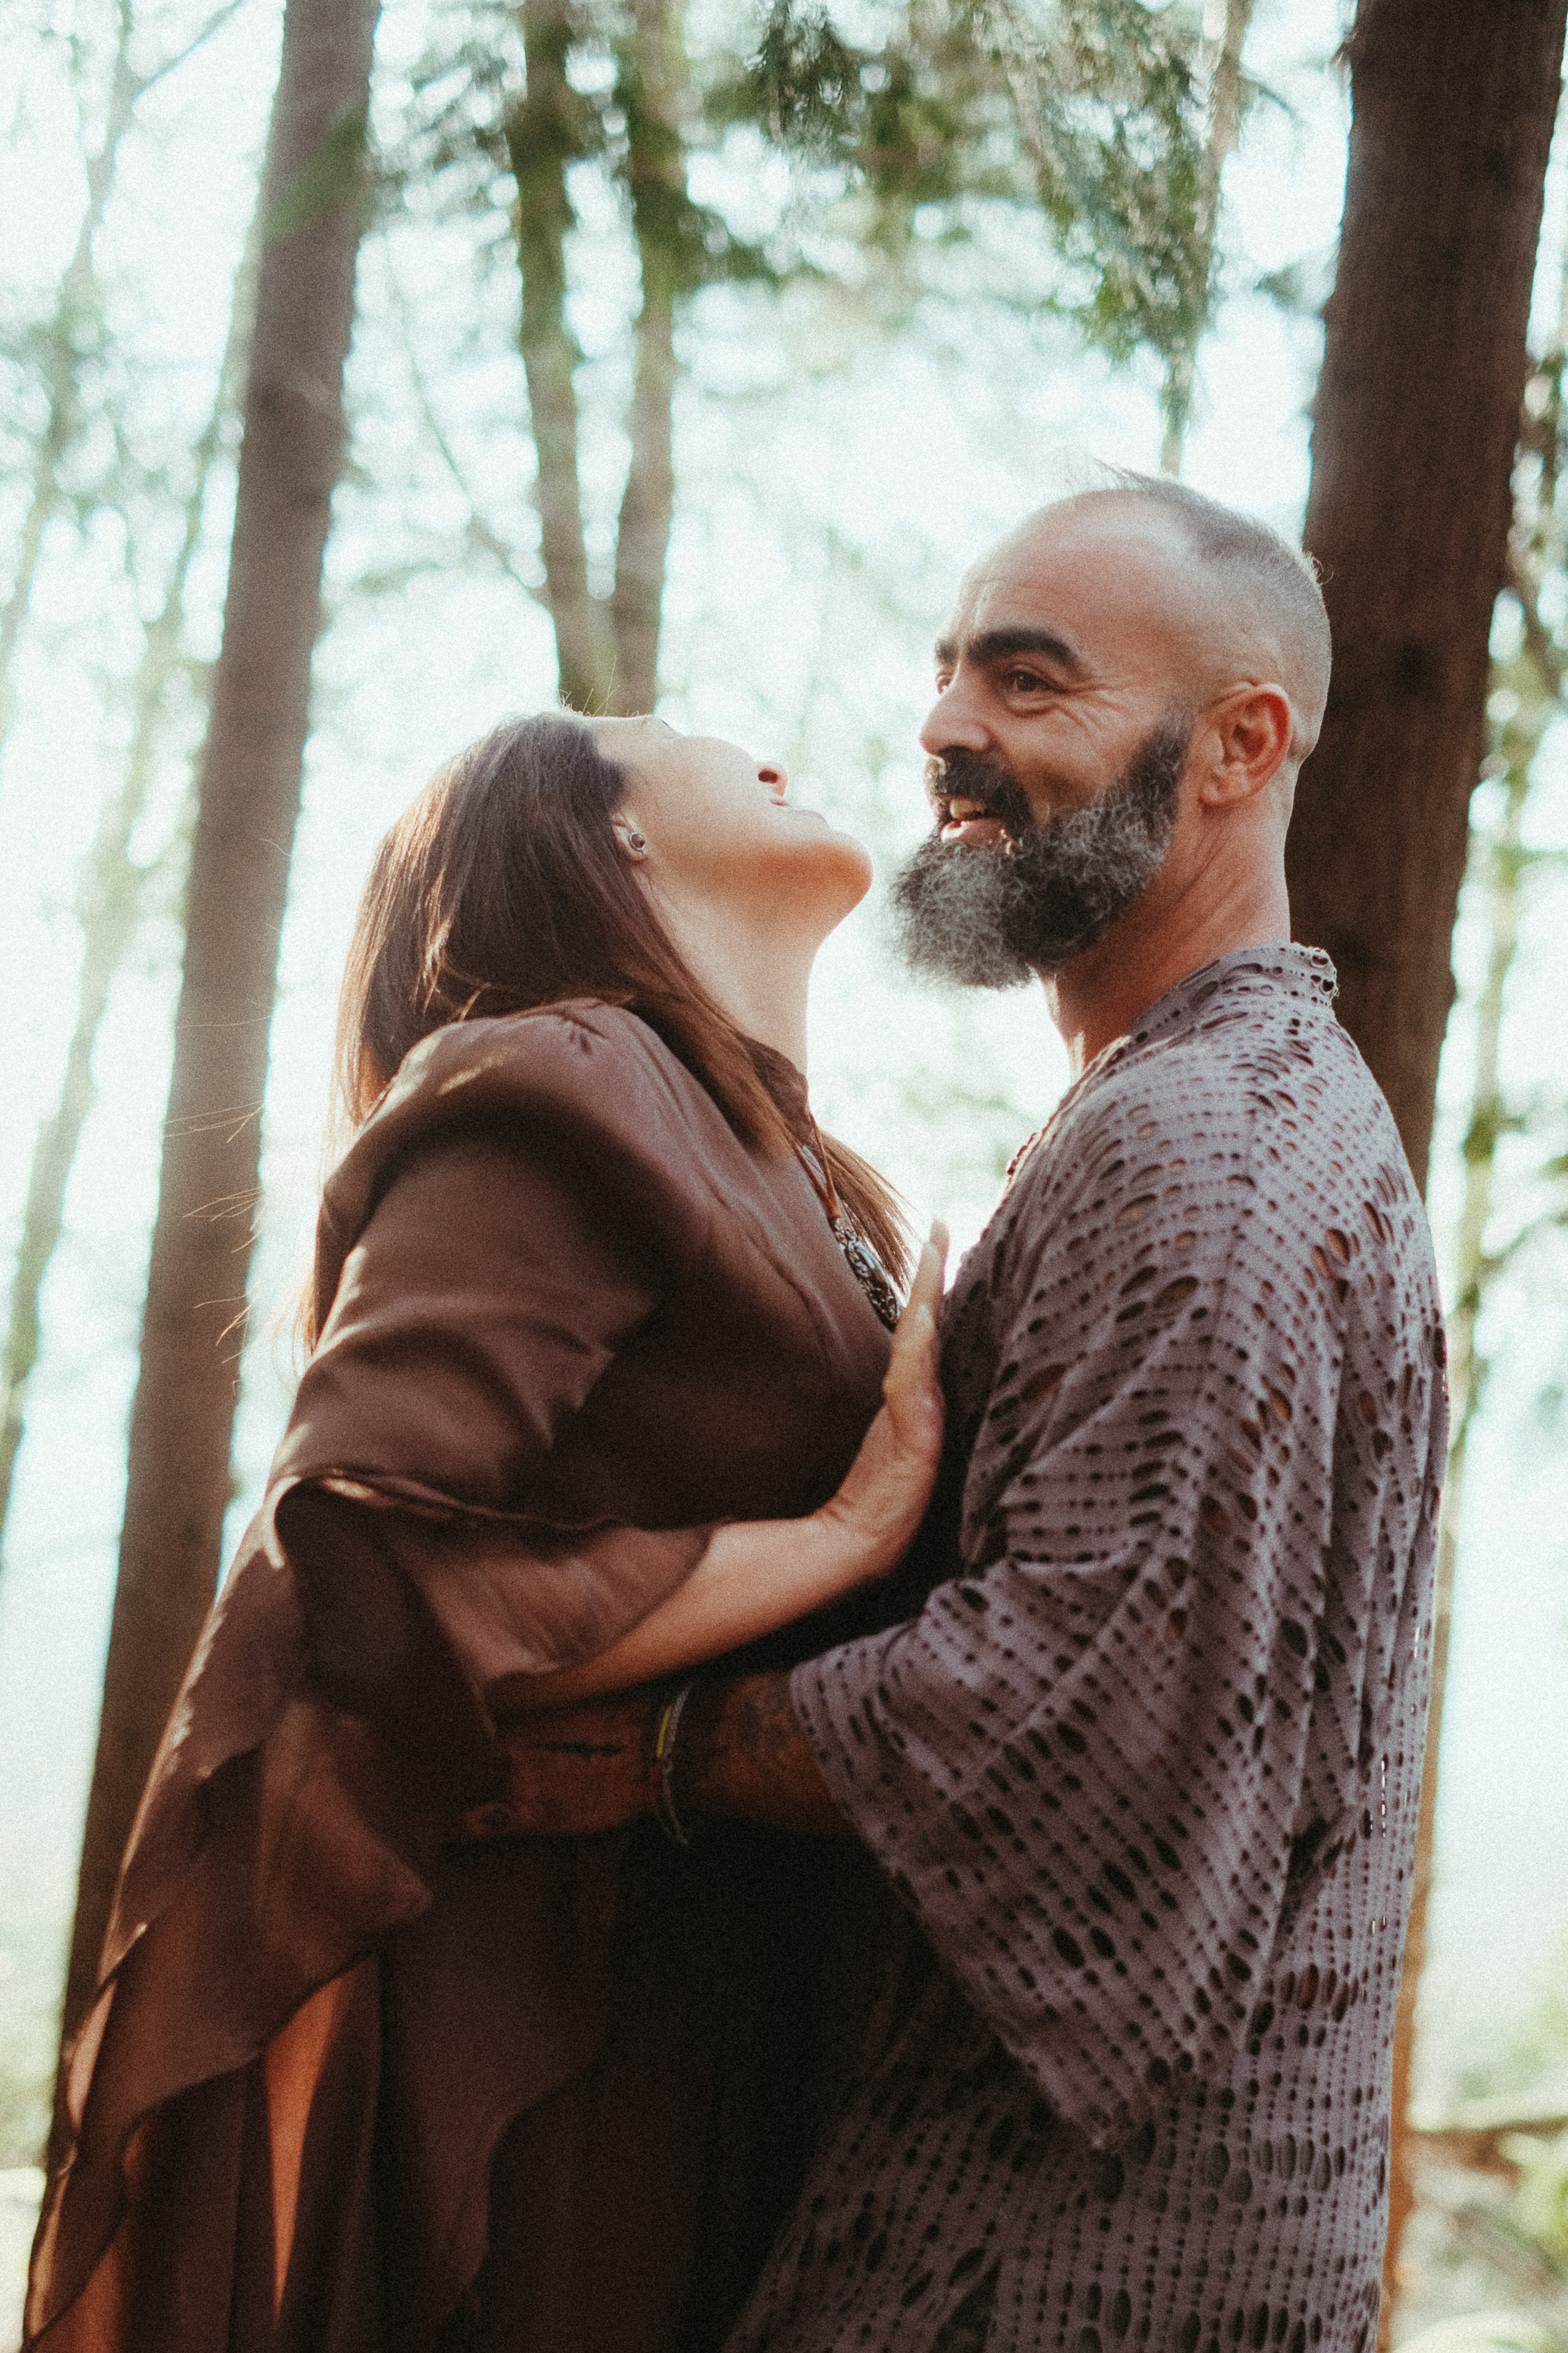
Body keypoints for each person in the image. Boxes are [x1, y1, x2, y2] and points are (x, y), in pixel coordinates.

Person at [484, 474, 1450, 2353]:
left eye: (1030, 681)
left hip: (1081, 2270)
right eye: (946, 672)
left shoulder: (1204, 1158)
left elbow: (1073, 1723)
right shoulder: (1192, 1106)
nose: (944, 728)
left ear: (1243, 743)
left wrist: (631, 1749)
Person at [25, 712, 949, 2353]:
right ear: (603, 839)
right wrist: (846, 1531)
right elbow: (374, 1551)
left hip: (735, 2003)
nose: (751, 740)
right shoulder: (561, 1069)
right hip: (557, 2041)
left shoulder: (802, 1172)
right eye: (666, 731)